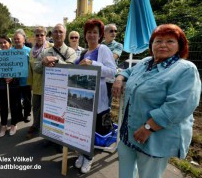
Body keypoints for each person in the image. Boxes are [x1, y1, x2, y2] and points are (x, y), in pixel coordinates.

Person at [112, 24, 201, 178]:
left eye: (170, 41)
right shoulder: (146, 62)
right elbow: (128, 71)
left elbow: (178, 107)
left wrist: (148, 127)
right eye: (158, 41)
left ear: (180, 45)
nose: (163, 45)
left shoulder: (185, 69)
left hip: (154, 137)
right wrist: (119, 78)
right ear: (152, 45)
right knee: (125, 173)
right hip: (129, 132)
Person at [74, 19, 116, 174]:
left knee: (92, 130)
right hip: (82, 98)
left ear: (100, 35)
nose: (91, 35)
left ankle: (89, 157)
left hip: (97, 99)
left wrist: (93, 64)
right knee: (82, 128)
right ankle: (81, 153)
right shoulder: (83, 52)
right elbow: (75, 69)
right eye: (89, 32)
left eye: (95, 32)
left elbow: (112, 72)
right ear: (85, 35)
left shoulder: (103, 49)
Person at [34, 23, 77, 152]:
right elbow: (36, 69)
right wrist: (43, 62)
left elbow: (72, 68)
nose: (58, 34)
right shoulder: (45, 52)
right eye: (56, 32)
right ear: (52, 35)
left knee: (63, 116)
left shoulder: (71, 52)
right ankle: (49, 137)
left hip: (64, 92)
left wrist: (56, 61)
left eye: (61, 32)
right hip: (49, 92)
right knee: (49, 115)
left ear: (65, 34)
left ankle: (61, 141)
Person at [26, 26, 53, 139]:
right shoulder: (32, 50)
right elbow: (30, 68)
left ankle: (48, 130)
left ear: (45, 36)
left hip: (49, 85)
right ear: (34, 36)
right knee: (36, 106)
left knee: (48, 108)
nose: (39, 37)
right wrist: (31, 82)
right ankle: (35, 125)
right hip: (36, 84)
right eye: (37, 35)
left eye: (42, 34)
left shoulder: (51, 47)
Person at [0, 35, 21, 137]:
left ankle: (13, 124)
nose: (3, 44)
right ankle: (3, 125)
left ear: (9, 43)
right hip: (1, 85)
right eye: (1, 43)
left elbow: (21, 69)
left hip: (14, 84)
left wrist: (13, 77)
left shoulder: (16, 54)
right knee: (3, 106)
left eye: (5, 42)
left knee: (14, 105)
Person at [102, 24, 123, 108]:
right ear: (104, 33)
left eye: (115, 31)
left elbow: (112, 59)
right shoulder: (99, 45)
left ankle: (105, 120)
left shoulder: (118, 45)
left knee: (106, 105)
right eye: (111, 31)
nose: (114, 33)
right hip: (98, 78)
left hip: (109, 79)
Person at [13, 30, 32, 123]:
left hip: (26, 80)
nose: (16, 40)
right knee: (16, 101)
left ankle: (27, 114)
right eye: (15, 39)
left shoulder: (29, 51)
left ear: (23, 40)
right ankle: (19, 116)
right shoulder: (10, 51)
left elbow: (32, 66)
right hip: (15, 81)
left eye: (18, 39)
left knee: (27, 99)